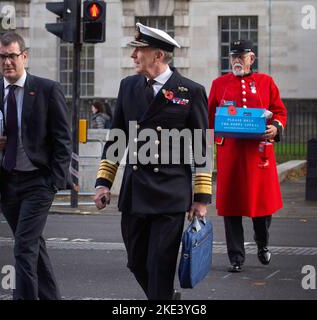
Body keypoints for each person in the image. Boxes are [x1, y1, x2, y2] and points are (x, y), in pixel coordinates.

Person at [93, 23, 212, 300]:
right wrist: (103, 183)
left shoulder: (189, 91)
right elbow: (117, 138)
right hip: (135, 193)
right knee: (136, 262)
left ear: (158, 55)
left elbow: (202, 148)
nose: (133, 57)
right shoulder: (128, 86)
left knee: (160, 265)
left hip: (170, 194)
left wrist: (201, 198)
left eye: (139, 51)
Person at [0, 32, 72, 299]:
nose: (7, 62)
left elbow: (63, 139)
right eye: (2, 56)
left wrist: (54, 182)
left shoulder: (46, 89)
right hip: (9, 182)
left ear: (25, 57)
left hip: (39, 182)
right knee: (33, 244)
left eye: (12, 56)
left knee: (23, 247)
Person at [208, 40, 287, 273]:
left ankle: (262, 243)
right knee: (231, 207)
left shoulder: (266, 82)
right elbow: (209, 116)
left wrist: (276, 127)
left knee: (261, 205)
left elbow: (279, 111)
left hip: (258, 156)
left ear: (252, 59)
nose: (236, 61)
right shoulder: (219, 84)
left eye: (241, 57)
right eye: (233, 57)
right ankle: (236, 256)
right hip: (230, 155)